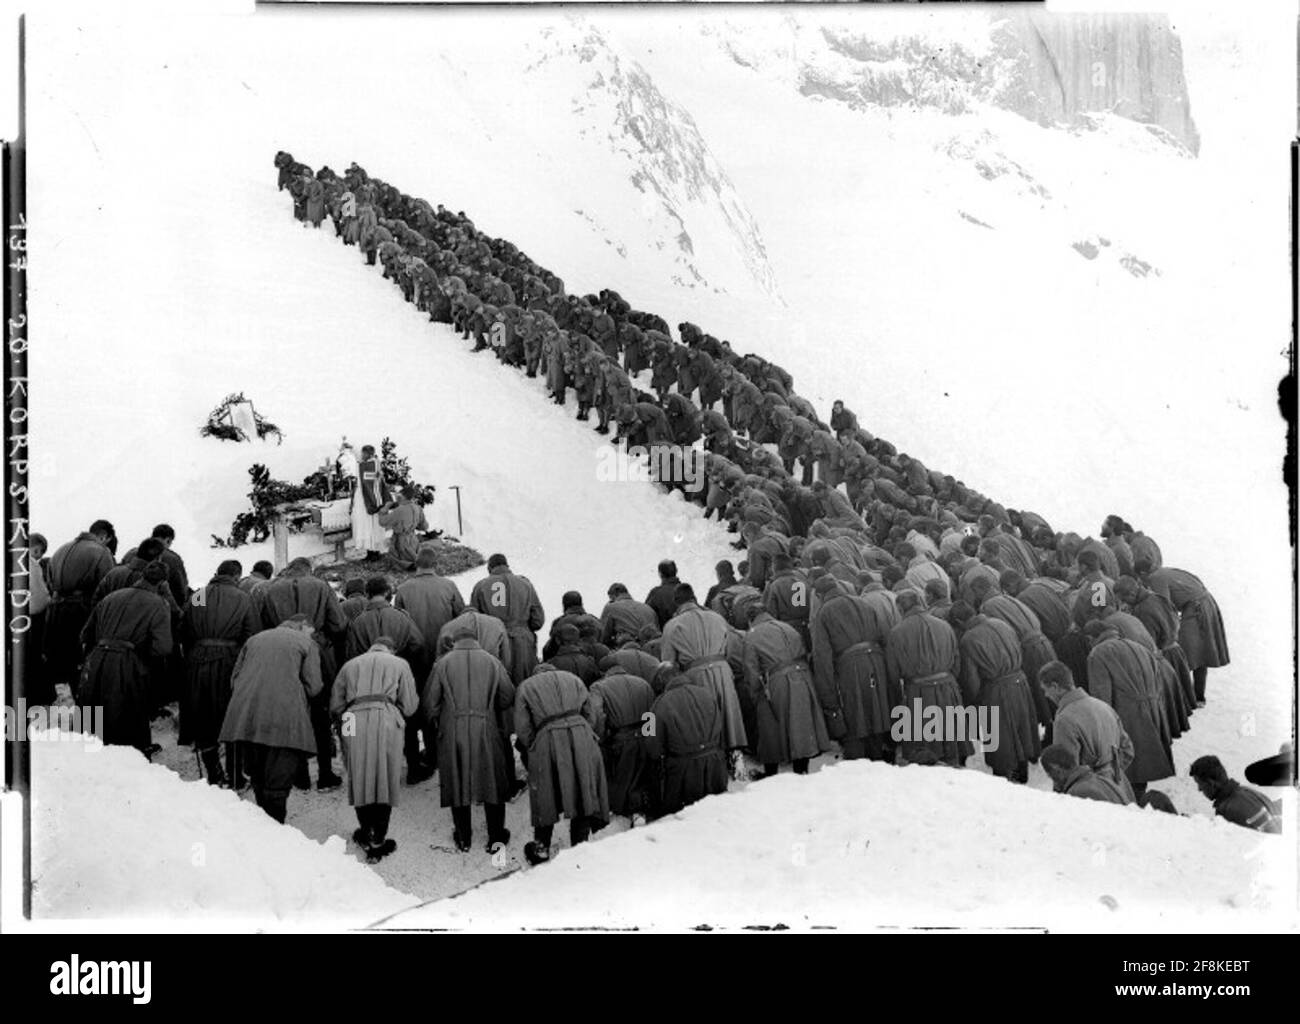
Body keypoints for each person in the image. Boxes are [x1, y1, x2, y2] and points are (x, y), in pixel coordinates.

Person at [219, 614, 322, 824]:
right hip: (284, 715)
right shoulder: (307, 643)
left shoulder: (255, 639)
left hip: (245, 715)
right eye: (311, 631)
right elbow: (314, 686)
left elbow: (234, 679)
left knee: (257, 774)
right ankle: (275, 827)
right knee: (278, 776)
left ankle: (263, 823)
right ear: (303, 626)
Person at [423, 625, 517, 852]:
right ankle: (496, 837)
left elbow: (430, 704)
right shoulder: (493, 661)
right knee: (491, 779)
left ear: (454, 641)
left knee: (457, 779)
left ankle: (464, 837)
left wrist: (437, 721)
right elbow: (507, 696)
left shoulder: (442, 663)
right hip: (486, 725)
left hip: (452, 727)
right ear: (476, 640)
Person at [256, 558, 347, 790]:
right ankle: (325, 773)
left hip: (283, 653)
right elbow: (337, 623)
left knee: (292, 712)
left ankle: (300, 774)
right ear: (309, 569)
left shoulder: (270, 588)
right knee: (321, 712)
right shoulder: (320, 586)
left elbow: (262, 625)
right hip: (317, 650)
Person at [331, 636, 420, 860]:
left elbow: (336, 704)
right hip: (386, 718)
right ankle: (378, 838)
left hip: (352, 719)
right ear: (391, 649)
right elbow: (409, 706)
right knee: (385, 777)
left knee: (358, 774)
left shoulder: (349, 665)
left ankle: (364, 829)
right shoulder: (400, 664)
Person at [514, 664, 610, 865]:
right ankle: (580, 844)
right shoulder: (573, 679)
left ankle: (541, 848)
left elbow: (522, 728)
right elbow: (590, 713)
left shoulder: (526, 686)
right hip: (581, 734)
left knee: (545, 793)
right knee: (583, 786)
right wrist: (581, 731)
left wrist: (535, 743)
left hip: (547, 737)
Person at [77, 562, 174, 755]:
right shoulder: (159, 603)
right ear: (163, 583)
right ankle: (133, 756)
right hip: (128, 662)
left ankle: (90, 754)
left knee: (94, 708)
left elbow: (85, 635)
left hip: (97, 659)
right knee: (128, 711)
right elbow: (163, 648)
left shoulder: (111, 597)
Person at [181, 560, 260, 787]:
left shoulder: (199, 595)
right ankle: (235, 776)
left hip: (196, 662)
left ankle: (214, 773)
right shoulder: (242, 598)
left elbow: (184, 627)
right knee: (231, 716)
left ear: (217, 573)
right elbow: (252, 635)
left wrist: (193, 654)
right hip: (228, 663)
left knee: (203, 717)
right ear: (237, 577)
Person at [660, 583, 748, 774]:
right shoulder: (717, 618)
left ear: (677, 603)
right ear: (694, 598)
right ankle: (737, 757)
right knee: (729, 714)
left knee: (706, 719)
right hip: (723, 669)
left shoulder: (672, 625)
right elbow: (731, 649)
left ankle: (715, 764)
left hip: (695, 675)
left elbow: (668, 664)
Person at [949, 601, 1040, 783]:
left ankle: (1004, 780)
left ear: (959, 621)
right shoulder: (1001, 623)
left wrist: (972, 699)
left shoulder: (969, 639)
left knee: (1002, 737)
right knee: (1022, 730)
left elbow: (971, 678)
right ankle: (1023, 774)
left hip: (997, 689)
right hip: (1020, 681)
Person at [1083, 621, 1174, 800]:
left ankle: (1130, 803)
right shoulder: (1139, 647)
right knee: (1143, 765)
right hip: (1153, 710)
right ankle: (1139, 797)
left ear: (1091, 638)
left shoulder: (1098, 653)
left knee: (1128, 766)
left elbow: (1102, 698)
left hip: (1128, 716)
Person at [739, 604, 829, 777]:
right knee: (801, 725)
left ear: (751, 619)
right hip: (803, 677)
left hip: (778, 681)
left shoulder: (752, 635)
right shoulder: (787, 627)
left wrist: (756, 695)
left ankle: (772, 773)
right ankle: (801, 769)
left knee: (769, 726)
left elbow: (751, 671)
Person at [884, 591, 971, 767]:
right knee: (951, 738)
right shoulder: (944, 625)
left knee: (924, 746)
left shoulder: (896, 632)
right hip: (948, 687)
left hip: (919, 692)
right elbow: (956, 661)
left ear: (900, 608)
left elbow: (893, 674)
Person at [1037, 660, 1135, 802]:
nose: (1046, 695)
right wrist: (1112, 770)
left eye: (1046, 690)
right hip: (1120, 786)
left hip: (1090, 795)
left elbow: (1064, 771)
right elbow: (1128, 750)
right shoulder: (1103, 706)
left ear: (1055, 686)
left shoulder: (1064, 720)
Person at [1137, 563, 1229, 706]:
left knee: (1186, 652)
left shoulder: (1155, 578)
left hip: (1196, 610)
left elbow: (1164, 607)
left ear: (1143, 574)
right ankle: (1199, 696)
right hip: (1206, 604)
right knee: (1201, 653)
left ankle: (1187, 697)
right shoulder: (1165, 570)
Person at [45, 520, 116, 705]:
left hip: (55, 609)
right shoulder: (101, 552)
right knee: (82, 658)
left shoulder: (60, 549)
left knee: (60, 657)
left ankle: (62, 700)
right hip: (81, 610)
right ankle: (82, 704)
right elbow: (106, 586)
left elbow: (50, 582)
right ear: (103, 536)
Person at [645, 667, 729, 813]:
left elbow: (652, 748)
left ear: (660, 682)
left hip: (683, 777)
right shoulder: (707, 693)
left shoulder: (656, 706)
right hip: (716, 768)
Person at [589, 663, 656, 820]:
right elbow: (653, 710)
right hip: (645, 734)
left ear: (607, 673)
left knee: (621, 779)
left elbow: (597, 715)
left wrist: (601, 738)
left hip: (621, 739)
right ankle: (641, 808)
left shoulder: (598, 687)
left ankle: (627, 811)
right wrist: (650, 734)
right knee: (643, 775)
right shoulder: (643, 683)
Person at [470, 553, 545, 685]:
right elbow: (538, 620)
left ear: (489, 568)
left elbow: (475, 620)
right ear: (507, 566)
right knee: (525, 684)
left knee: (497, 685)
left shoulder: (480, 586)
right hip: (523, 642)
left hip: (493, 642)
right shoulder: (525, 584)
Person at [393, 548, 466, 677]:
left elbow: (398, 624)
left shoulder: (403, 589)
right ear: (436, 565)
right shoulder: (449, 585)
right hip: (445, 649)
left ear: (416, 564)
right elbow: (461, 615)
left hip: (415, 653)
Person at [1188, 755, 1282, 834]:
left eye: (1200, 784)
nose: (1199, 789)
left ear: (1211, 783)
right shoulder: (1246, 791)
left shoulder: (1227, 810)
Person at [1040, 743, 1132, 805]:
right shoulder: (1099, 780)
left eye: (1050, 774)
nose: (1052, 780)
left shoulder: (1078, 793)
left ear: (1057, 769)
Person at [377, 487, 430, 569]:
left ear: (402, 497)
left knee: (398, 557)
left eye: (398, 496)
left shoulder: (400, 510)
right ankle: (415, 561)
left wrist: (385, 508)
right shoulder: (418, 508)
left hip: (401, 542)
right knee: (414, 553)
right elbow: (424, 527)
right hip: (414, 541)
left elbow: (383, 522)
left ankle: (408, 565)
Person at [598, 583, 657, 647]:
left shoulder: (611, 607)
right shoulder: (648, 608)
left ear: (614, 595)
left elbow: (602, 636)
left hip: (629, 647)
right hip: (652, 648)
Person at [644, 559, 682, 629]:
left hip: (666, 636)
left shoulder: (656, 593)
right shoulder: (686, 591)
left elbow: (645, 615)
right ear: (676, 571)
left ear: (660, 574)